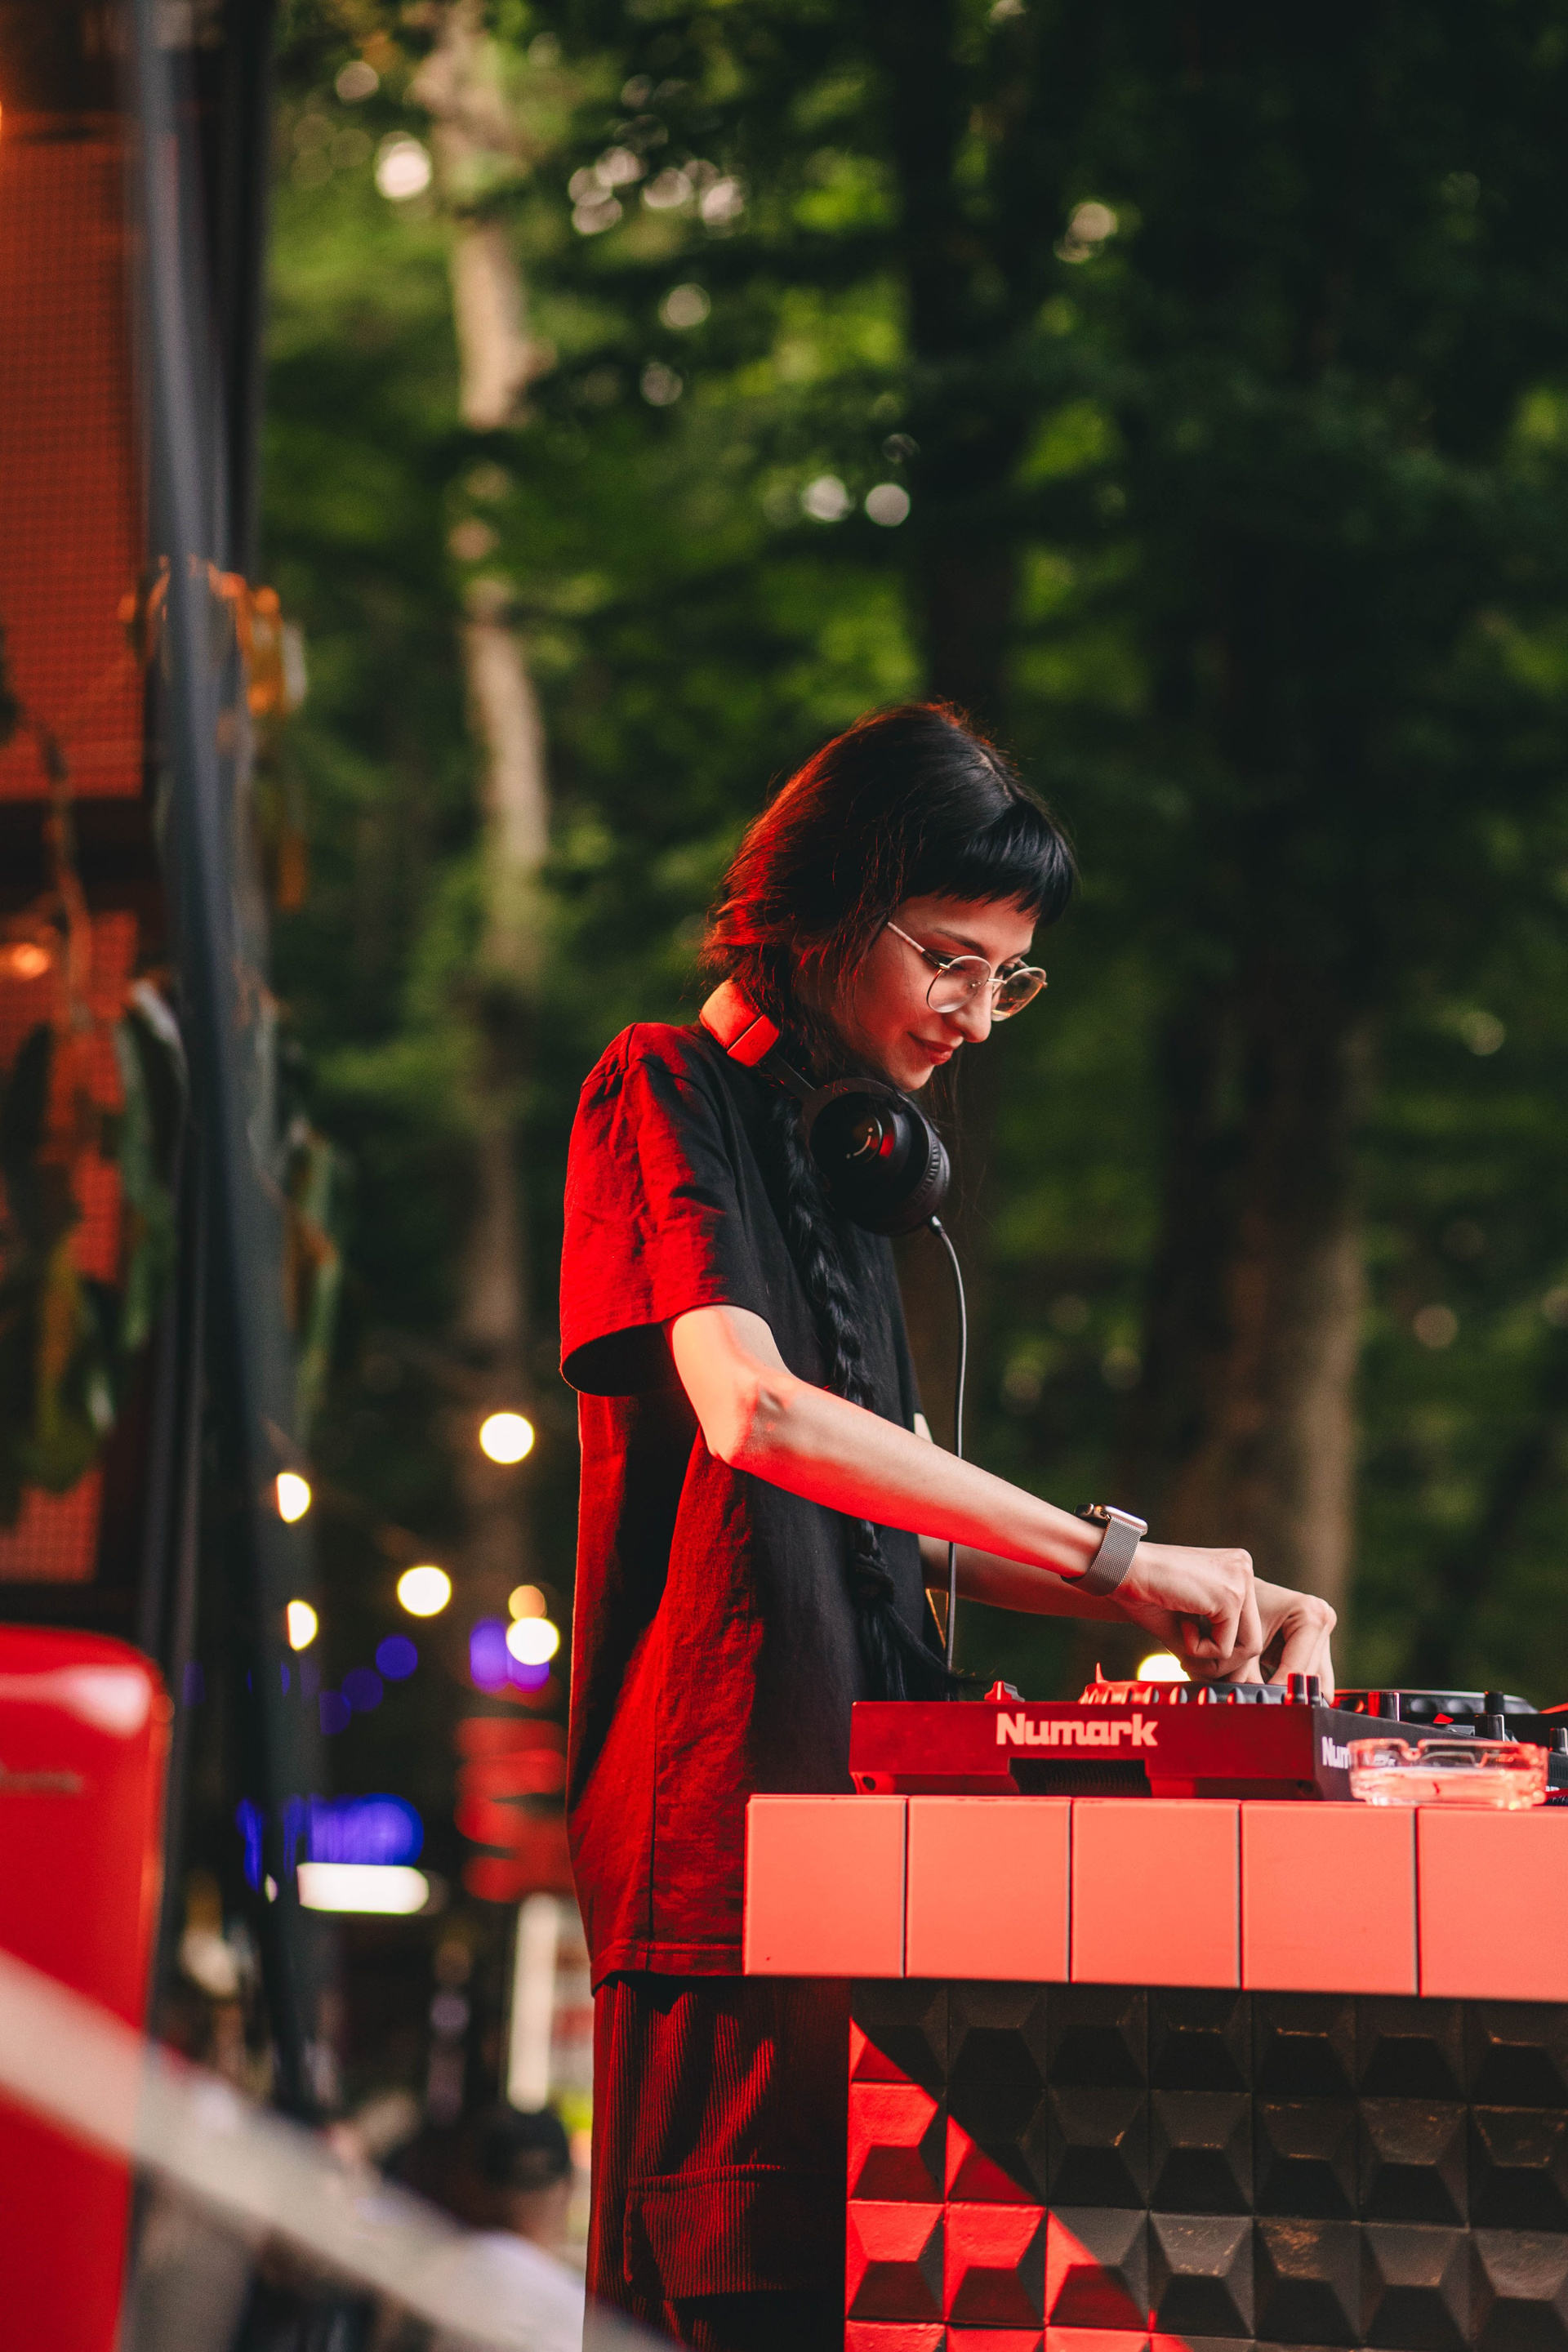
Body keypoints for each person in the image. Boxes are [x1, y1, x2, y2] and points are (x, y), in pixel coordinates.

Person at [559, 703, 1336, 2351]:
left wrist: (1179, 1597)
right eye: (952, 963)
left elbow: (892, 1520)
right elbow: (757, 1416)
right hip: (727, 1867)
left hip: (863, 1857)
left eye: (1011, 979)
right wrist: (1118, 1557)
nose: (979, 1018)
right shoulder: (659, 1088)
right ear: (820, 911)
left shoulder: (847, 1171)